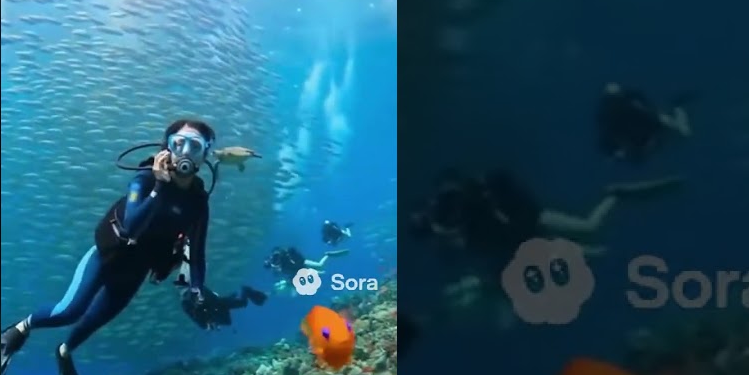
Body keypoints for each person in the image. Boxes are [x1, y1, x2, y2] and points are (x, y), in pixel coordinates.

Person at [0, 120, 252, 375]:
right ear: (166, 147)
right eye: (178, 143)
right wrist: (160, 185)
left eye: (195, 146)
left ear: (206, 155)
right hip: (106, 258)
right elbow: (132, 226)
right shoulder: (145, 178)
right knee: (69, 311)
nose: (185, 152)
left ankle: (63, 353)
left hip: (134, 273)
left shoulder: (198, 202)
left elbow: (197, 252)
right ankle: (16, 332)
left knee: (89, 326)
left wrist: (197, 289)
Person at [410, 168, 682, 310]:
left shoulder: (447, 209)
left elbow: (474, 224)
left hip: (528, 220)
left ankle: (617, 195)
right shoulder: (449, 228)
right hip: (525, 236)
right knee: (587, 249)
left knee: (589, 228)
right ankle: (620, 251)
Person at [597, 83, 692, 162]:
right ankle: (677, 109)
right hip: (638, 140)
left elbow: (649, 113)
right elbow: (605, 137)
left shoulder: (630, 103)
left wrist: (662, 120)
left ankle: (678, 108)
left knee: (681, 134)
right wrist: (615, 152)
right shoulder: (607, 116)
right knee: (637, 157)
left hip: (649, 131)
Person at [264, 246, 350, 294]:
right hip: (301, 269)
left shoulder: (276, 257)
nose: (273, 265)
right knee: (320, 272)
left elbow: (286, 258)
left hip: (302, 263)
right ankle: (322, 268)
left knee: (320, 265)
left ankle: (328, 255)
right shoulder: (278, 267)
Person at [180, 285, 268, 330]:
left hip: (217, 306)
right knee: (240, 304)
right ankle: (245, 292)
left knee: (240, 305)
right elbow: (211, 298)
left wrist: (206, 324)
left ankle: (245, 291)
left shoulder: (187, 302)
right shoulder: (192, 295)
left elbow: (197, 316)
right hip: (218, 304)